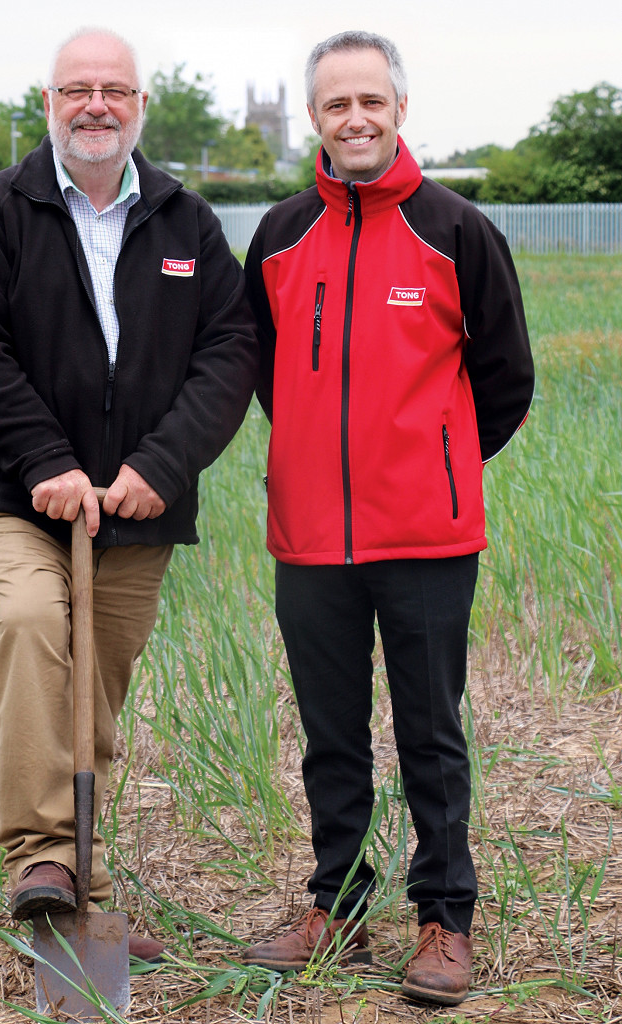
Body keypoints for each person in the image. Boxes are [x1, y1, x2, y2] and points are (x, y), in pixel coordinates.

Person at [0, 27, 258, 962]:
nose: (96, 105)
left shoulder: (185, 221)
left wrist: (162, 466)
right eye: (76, 88)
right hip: (16, 495)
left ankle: (82, 893)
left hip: (135, 506)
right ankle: (42, 858)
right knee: (34, 622)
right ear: (47, 104)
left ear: (140, 106)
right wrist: (42, 459)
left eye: (114, 88)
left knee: (95, 691)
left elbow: (230, 349)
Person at [241, 30, 534, 1006]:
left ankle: (444, 916)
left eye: (372, 100)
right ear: (316, 118)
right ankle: (339, 903)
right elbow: (273, 376)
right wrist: (322, 465)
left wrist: (434, 462)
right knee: (330, 732)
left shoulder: (456, 230)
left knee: (429, 731)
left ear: (399, 108)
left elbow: (505, 378)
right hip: (311, 538)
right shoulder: (280, 236)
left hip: (427, 534)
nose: (355, 118)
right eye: (336, 105)